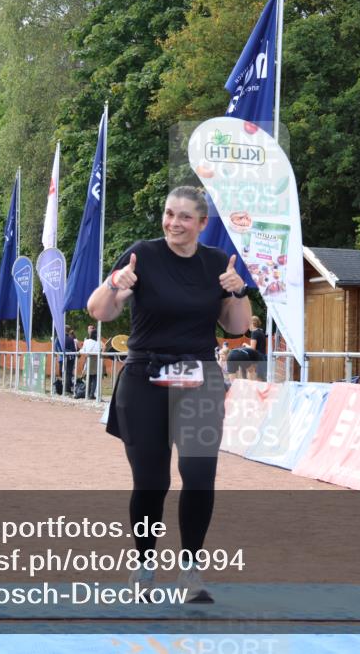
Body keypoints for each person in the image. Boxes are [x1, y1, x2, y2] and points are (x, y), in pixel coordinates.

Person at [87, 186, 251, 603]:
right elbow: (100, 310)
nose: (174, 223)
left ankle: (190, 572)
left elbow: (236, 327)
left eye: (184, 217)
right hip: (144, 377)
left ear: (201, 224)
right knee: (151, 482)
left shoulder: (217, 263)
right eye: (169, 214)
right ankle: (144, 565)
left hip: (198, 378)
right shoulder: (143, 254)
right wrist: (114, 282)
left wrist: (237, 290)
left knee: (198, 478)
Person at [78, 327, 102, 399]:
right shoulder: (98, 343)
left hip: (88, 360)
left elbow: (82, 350)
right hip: (96, 361)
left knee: (88, 378)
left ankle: (87, 393)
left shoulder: (86, 341)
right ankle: (92, 394)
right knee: (94, 378)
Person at [63, 326, 78, 395]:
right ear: (69, 331)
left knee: (64, 373)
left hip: (61, 358)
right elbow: (73, 350)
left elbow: (56, 347)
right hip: (70, 358)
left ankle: (65, 388)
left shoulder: (59, 338)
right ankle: (67, 389)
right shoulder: (70, 339)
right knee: (68, 373)